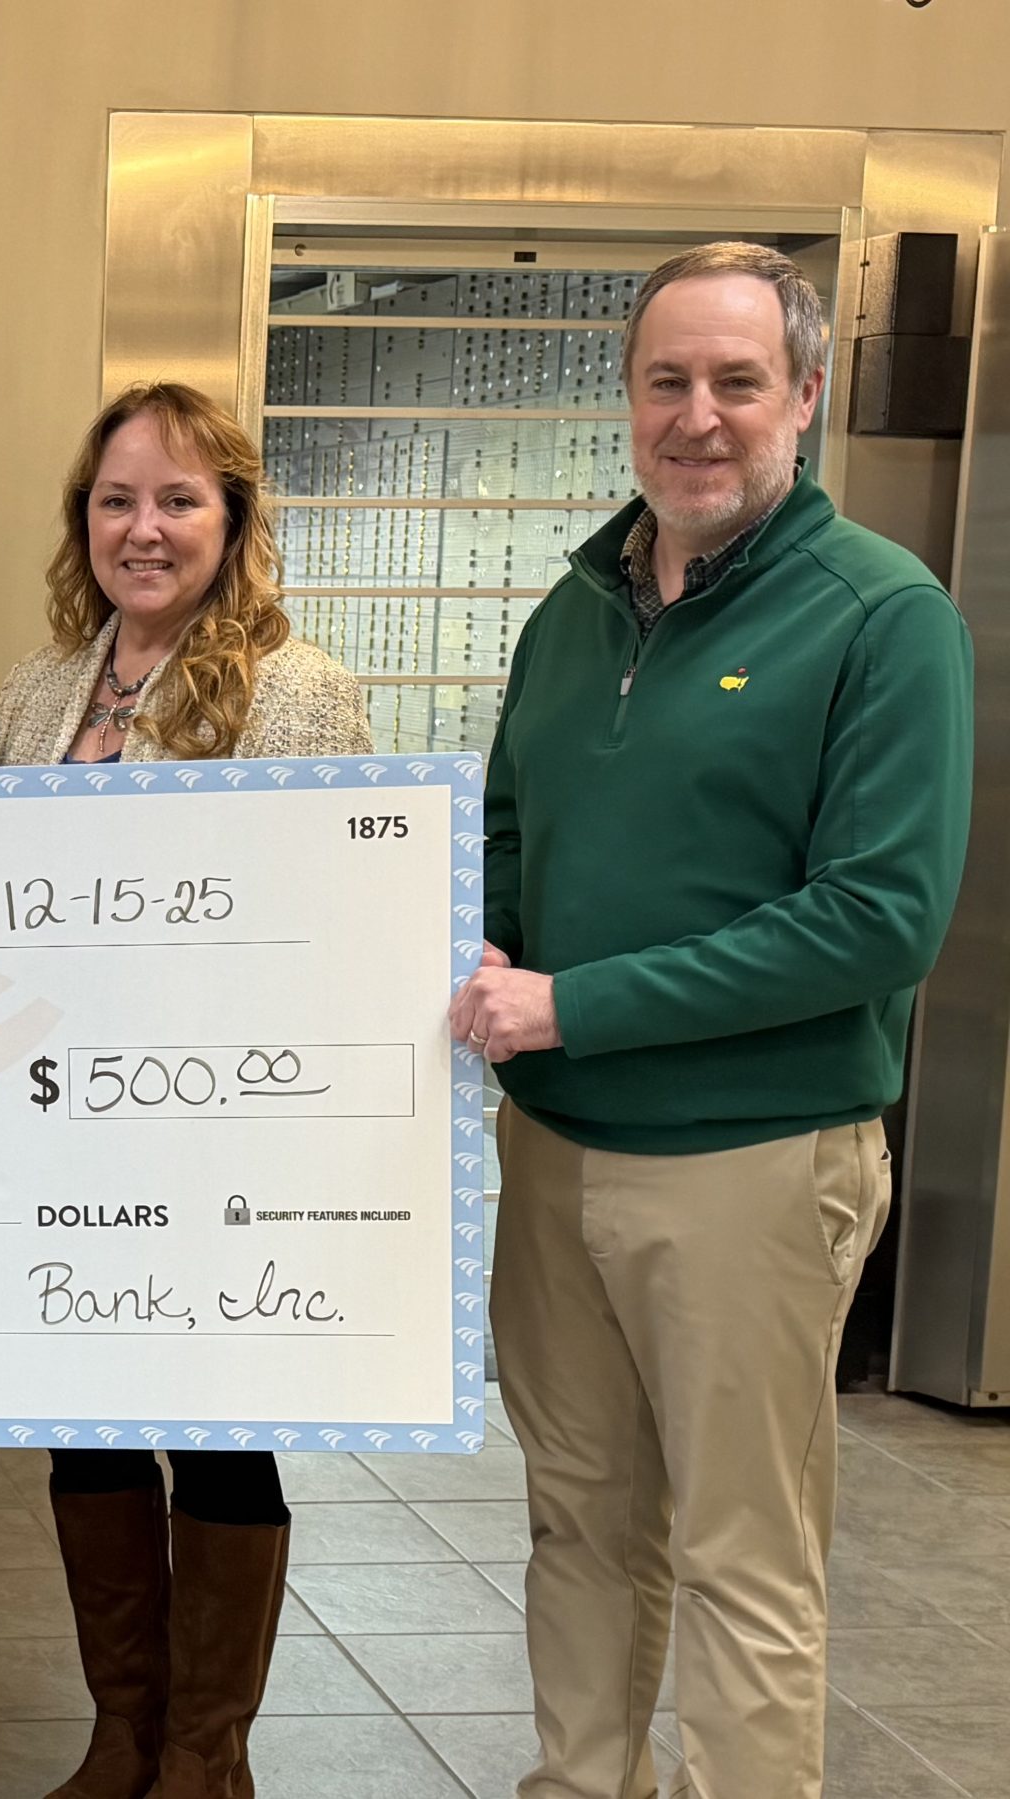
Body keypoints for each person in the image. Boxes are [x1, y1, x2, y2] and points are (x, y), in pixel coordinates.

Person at [450, 242, 973, 1799]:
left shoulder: (882, 616)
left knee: (743, 1554)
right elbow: (511, 833)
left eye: (738, 381)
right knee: (580, 1523)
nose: (698, 416)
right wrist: (467, 944)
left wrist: (575, 1005)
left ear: (805, 396)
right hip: (556, 1156)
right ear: (626, 398)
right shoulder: (573, 612)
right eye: (665, 380)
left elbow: (877, 918)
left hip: (753, 1162)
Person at [0, 379, 371, 1799]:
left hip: (222, 1143)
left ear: (233, 518)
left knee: (217, 1440)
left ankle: (206, 1757)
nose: (143, 528)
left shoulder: (299, 689)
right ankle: (123, 1736)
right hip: (58, 1137)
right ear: (82, 521)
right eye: (116, 500)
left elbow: (330, 928)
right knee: (87, 1432)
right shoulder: (38, 688)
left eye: (178, 500)